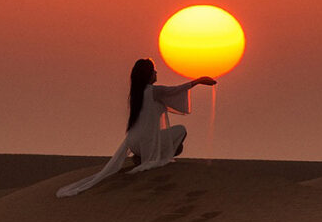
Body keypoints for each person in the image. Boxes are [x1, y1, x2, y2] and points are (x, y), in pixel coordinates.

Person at [56, 58, 216, 197]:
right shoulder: (153, 91)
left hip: (133, 142)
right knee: (181, 131)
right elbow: (174, 90)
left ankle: (141, 157)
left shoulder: (137, 94)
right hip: (146, 142)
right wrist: (198, 81)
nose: (156, 74)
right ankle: (149, 159)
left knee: (169, 140)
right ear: (148, 75)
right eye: (154, 71)